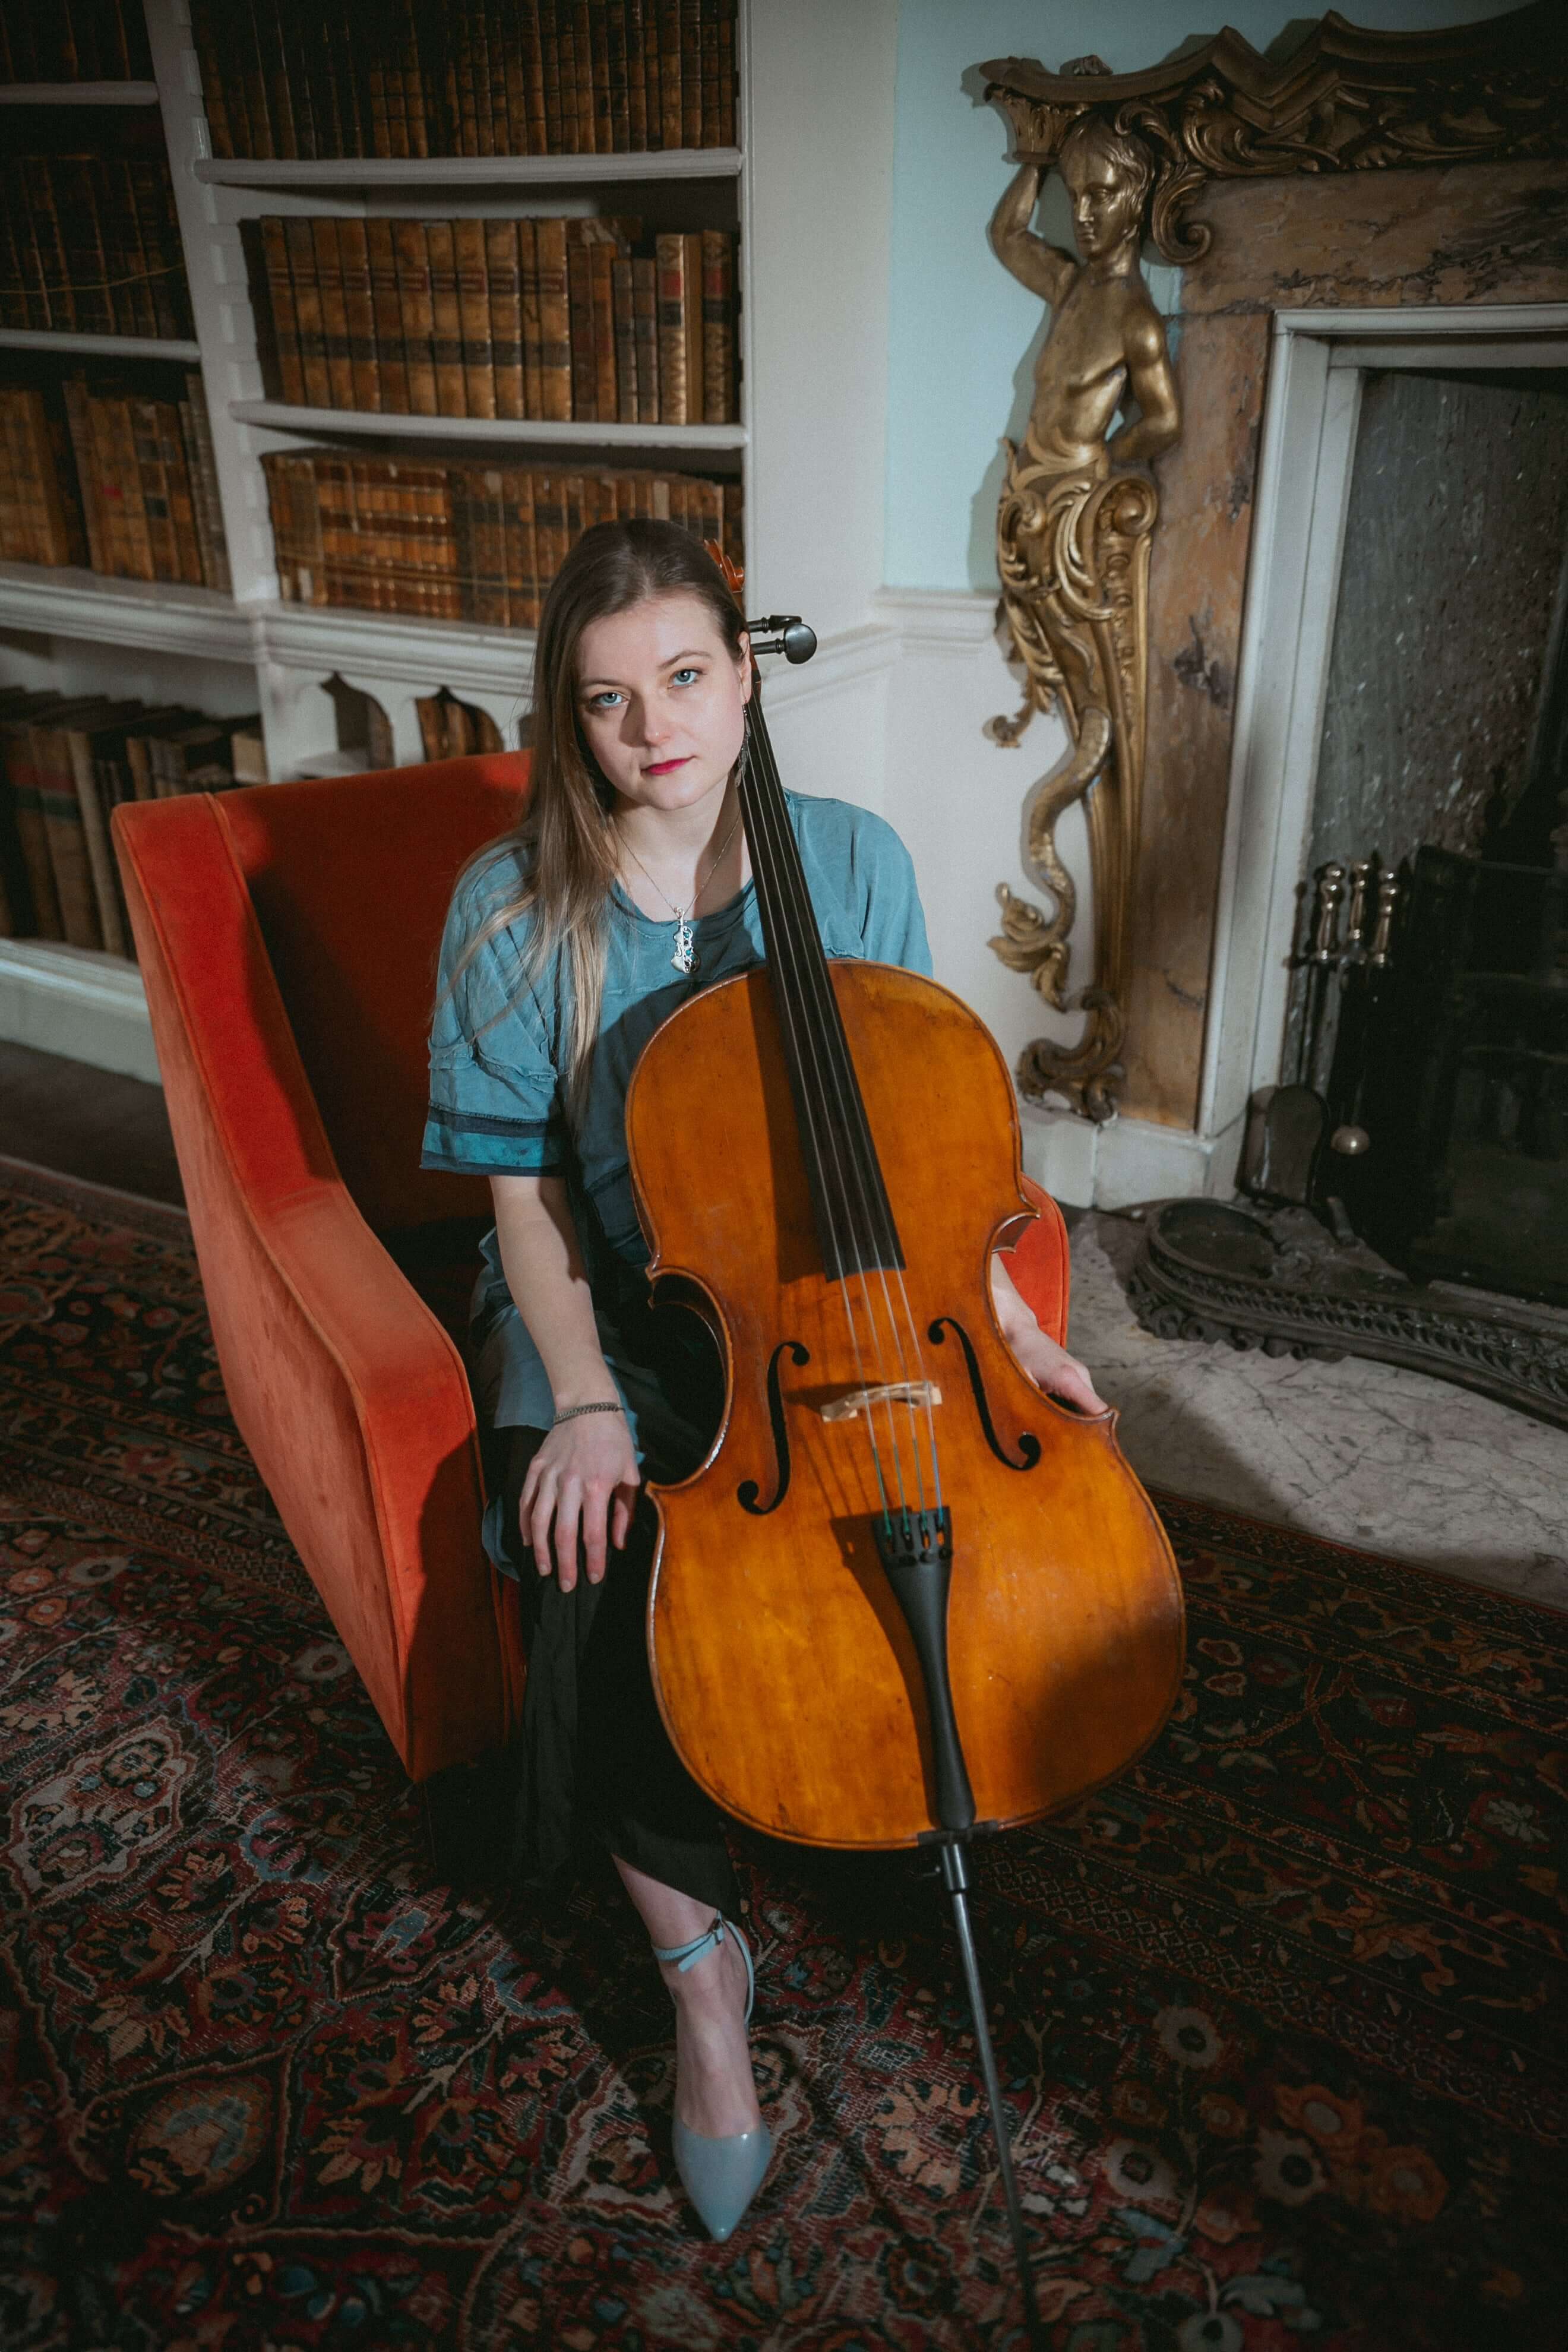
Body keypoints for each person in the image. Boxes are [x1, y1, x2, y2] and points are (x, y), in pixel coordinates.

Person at [421, 519, 1104, 2240]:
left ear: (743, 676)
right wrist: (577, 1402)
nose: (654, 728)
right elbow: (524, 1207)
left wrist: (1013, 1338)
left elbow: (932, 1146)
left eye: (686, 678)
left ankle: (875, 1784)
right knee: (604, 1546)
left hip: (838, 1301)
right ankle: (701, 1977)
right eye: (605, 700)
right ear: (567, 723)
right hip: (607, 1300)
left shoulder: (853, 861)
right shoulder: (512, 909)